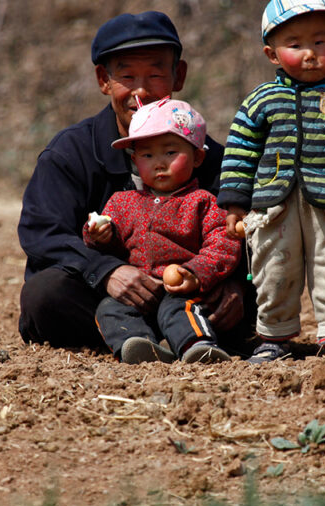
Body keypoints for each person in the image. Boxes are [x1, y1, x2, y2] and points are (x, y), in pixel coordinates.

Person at [17, 11, 252, 353]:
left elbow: (246, 231)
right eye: (126, 75)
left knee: (251, 294)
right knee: (45, 294)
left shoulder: (214, 158)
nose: (141, 90)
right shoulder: (70, 154)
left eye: (156, 74)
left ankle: (186, 337)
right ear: (104, 80)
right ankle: (140, 341)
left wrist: (234, 284)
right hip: (104, 299)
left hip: (192, 295)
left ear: (179, 75)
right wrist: (107, 271)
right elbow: (43, 233)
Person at [219, 0, 325, 363]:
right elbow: (239, 153)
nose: (310, 53)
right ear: (272, 54)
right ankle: (274, 337)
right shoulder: (260, 101)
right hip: (273, 208)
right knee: (273, 270)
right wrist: (235, 204)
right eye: (295, 45)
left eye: (319, 42)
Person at [84, 98, 239, 364]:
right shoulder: (121, 203)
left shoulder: (202, 202)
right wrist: (98, 236)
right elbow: (110, 248)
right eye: (147, 155)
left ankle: (198, 347)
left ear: (197, 156)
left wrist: (194, 273)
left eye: (170, 153)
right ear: (134, 160)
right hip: (138, 290)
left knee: (179, 308)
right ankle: (139, 346)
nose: (159, 163)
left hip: (181, 289)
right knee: (109, 309)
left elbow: (222, 245)